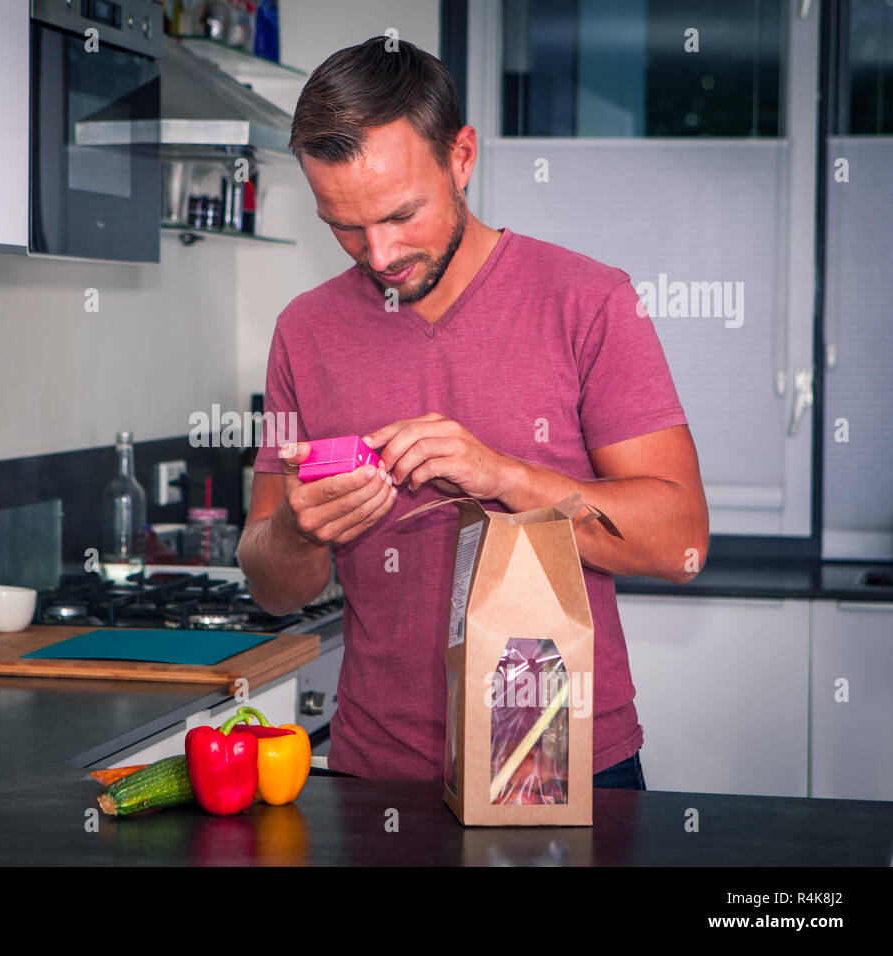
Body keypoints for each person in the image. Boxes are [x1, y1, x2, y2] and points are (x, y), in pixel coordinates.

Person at [236, 37, 709, 789]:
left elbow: (679, 544)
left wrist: (506, 475)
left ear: (461, 158)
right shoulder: (305, 330)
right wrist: (299, 530)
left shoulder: (589, 302)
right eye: (344, 226)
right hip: (377, 774)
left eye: (400, 214)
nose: (380, 253)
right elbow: (272, 583)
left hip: (562, 761)